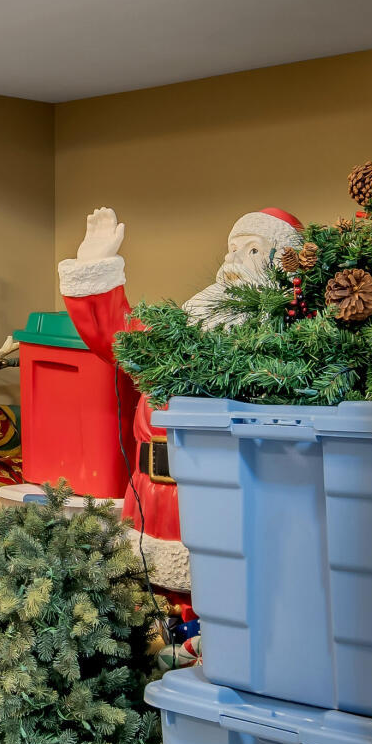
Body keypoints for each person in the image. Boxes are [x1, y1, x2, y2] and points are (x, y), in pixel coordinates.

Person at [56, 205, 303, 591]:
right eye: (233, 247)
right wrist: (96, 268)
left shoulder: (280, 343)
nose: (234, 258)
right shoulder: (184, 327)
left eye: (254, 250)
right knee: (147, 598)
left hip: (217, 497)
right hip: (147, 494)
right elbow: (120, 336)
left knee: (220, 595)